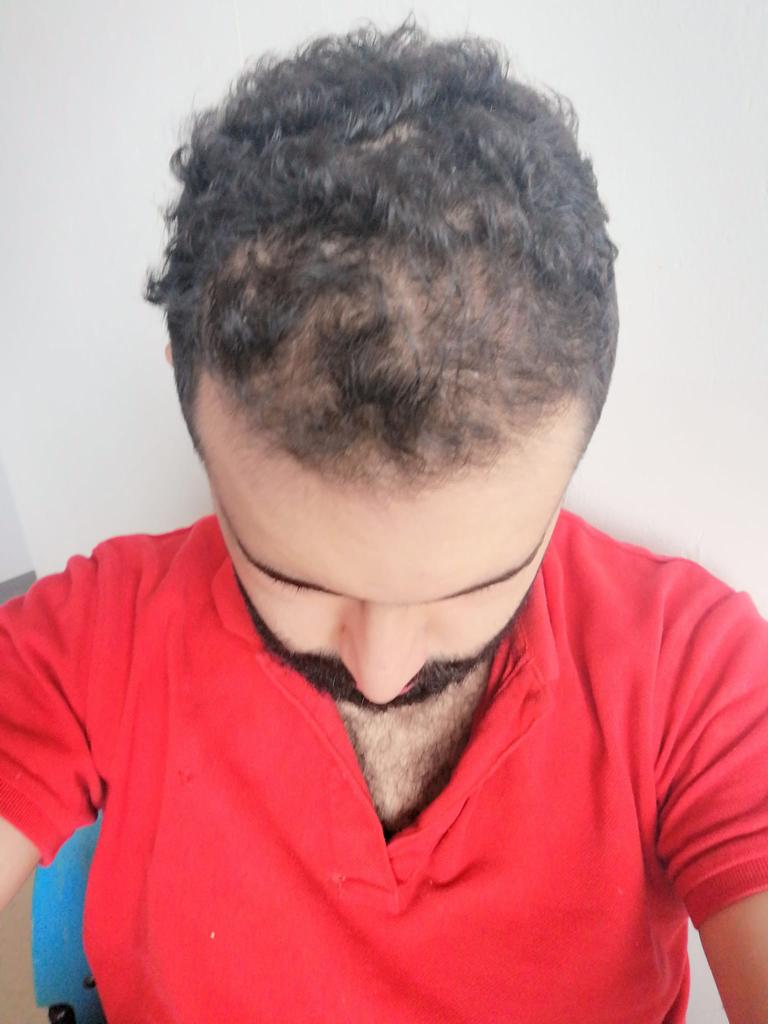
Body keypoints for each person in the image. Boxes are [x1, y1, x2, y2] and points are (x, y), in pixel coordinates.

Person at [1, 18, 767, 1024]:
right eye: (297, 581)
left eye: (478, 589)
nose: (382, 669)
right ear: (191, 410)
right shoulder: (97, 638)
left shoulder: (694, 674)